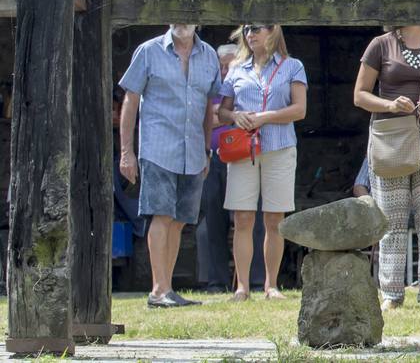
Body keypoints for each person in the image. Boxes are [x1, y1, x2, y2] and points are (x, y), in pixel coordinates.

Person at [354, 25, 420, 310]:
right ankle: (391, 293)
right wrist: (390, 106)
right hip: (392, 135)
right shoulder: (380, 44)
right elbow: (360, 95)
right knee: (391, 217)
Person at [118, 24, 222, 308]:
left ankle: (167, 288)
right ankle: (158, 290)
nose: (181, 21)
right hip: (158, 147)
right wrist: (126, 152)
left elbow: (207, 106)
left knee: (178, 221)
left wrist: (207, 150)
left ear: (197, 22)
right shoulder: (149, 51)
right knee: (161, 215)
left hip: (194, 151)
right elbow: (130, 100)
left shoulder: (210, 55)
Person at [217, 24, 308, 301]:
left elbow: (300, 109)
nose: (250, 34)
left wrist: (264, 117)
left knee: (274, 219)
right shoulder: (236, 69)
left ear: (273, 31)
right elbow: (222, 111)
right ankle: (242, 286)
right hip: (244, 149)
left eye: (256, 28)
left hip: (279, 146)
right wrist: (236, 118)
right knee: (242, 217)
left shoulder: (292, 66)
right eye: (246, 30)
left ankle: (271, 285)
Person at [196, 41, 239, 293]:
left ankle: (253, 280)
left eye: (228, 66)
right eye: (220, 66)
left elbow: (235, 113)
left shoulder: (240, 85)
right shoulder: (210, 88)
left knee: (246, 218)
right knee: (213, 220)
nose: (224, 71)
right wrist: (219, 114)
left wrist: (217, 114)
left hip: (239, 157)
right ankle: (217, 281)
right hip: (211, 157)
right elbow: (203, 117)